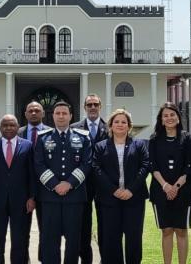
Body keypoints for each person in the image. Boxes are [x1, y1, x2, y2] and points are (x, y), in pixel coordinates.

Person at [34, 101, 92, 264]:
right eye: (57, 113)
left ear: (71, 116)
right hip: (49, 197)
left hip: (74, 197)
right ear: (52, 116)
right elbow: (38, 164)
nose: (61, 116)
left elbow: (87, 163)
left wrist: (69, 184)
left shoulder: (82, 137)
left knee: (74, 240)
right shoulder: (43, 137)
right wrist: (55, 184)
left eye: (64, 113)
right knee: (49, 239)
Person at [93, 109, 150, 264]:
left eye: (124, 122)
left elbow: (145, 167)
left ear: (129, 126)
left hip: (134, 199)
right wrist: (114, 190)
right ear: (110, 125)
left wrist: (131, 189)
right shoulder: (100, 146)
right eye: (116, 122)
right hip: (109, 200)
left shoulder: (139, 145)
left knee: (134, 238)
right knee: (111, 239)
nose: (120, 124)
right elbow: (96, 169)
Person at [0, 114, 36, 264]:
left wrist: (32, 197)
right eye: (5, 125)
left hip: (21, 201)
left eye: (12, 125)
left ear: (18, 127)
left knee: (19, 238)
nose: (8, 128)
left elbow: (31, 174)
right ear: (0, 128)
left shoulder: (27, 145)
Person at [148, 102, 191, 264]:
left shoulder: (187, 138)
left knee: (181, 231)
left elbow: (190, 166)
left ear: (178, 117)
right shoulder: (154, 139)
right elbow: (153, 166)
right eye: (165, 115)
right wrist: (166, 186)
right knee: (167, 230)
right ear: (161, 120)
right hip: (160, 191)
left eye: (172, 115)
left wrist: (175, 187)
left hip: (184, 191)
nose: (169, 118)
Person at [70, 94, 108, 264]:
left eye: (95, 104)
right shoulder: (74, 128)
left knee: (106, 225)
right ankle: (86, 260)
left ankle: (105, 259)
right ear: (84, 107)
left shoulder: (110, 128)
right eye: (89, 104)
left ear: (100, 106)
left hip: (104, 185)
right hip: (81, 184)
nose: (92, 107)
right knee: (82, 226)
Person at [17, 100, 51, 261]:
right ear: (25, 114)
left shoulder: (52, 133)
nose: (33, 113)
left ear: (43, 113)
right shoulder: (17, 133)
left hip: (47, 189)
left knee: (47, 231)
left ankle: (44, 258)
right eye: (30, 110)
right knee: (22, 232)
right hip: (23, 191)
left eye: (37, 110)